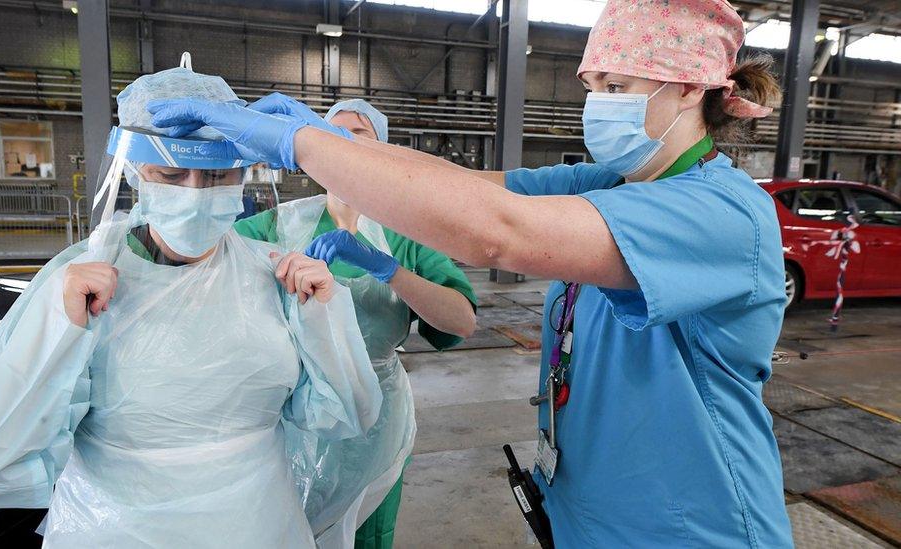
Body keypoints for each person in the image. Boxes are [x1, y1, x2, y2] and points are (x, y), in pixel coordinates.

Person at [147, 0, 796, 546]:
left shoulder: (722, 212)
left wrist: (301, 145)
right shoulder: (609, 182)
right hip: (586, 507)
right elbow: (465, 186)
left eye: (618, 87)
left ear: (689, 88)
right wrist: (333, 139)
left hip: (690, 523)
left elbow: (494, 229)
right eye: (593, 86)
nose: (597, 103)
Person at [0, 61, 383, 548]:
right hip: (115, 530)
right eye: (171, 173)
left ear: (243, 175)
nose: (195, 193)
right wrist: (52, 331)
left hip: (256, 525)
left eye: (217, 176)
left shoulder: (273, 275)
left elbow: (348, 417)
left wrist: (325, 316)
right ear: (136, 173)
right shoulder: (80, 280)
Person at [234, 97, 477, 549]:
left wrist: (388, 268)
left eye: (358, 136)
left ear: (383, 152)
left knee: (367, 531)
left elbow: (460, 320)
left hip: (375, 423)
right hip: (293, 413)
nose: (342, 145)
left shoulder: (409, 233)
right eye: (330, 135)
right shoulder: (279, 224)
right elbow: (205, 256)